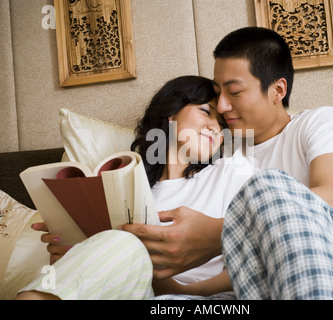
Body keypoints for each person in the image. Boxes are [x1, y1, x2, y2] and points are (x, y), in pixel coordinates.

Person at [120, 27, 333, 299]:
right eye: (218, 94)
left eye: (235, 92)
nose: (223, 107)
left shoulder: (317, 123)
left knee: (267, 186)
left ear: (277, 90)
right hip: (265, 282)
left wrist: (215, 233)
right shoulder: (225, 152)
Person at [16, 76, 254, 300]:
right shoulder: (130, 191)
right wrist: (70, 253)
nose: (215, 127)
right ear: (171, 113)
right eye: (205, 111)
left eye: (222, 125)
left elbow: (254, 262)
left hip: (187, 297)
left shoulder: (231, 171)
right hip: (118, 289)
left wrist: (177, 288)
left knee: (126, 243)